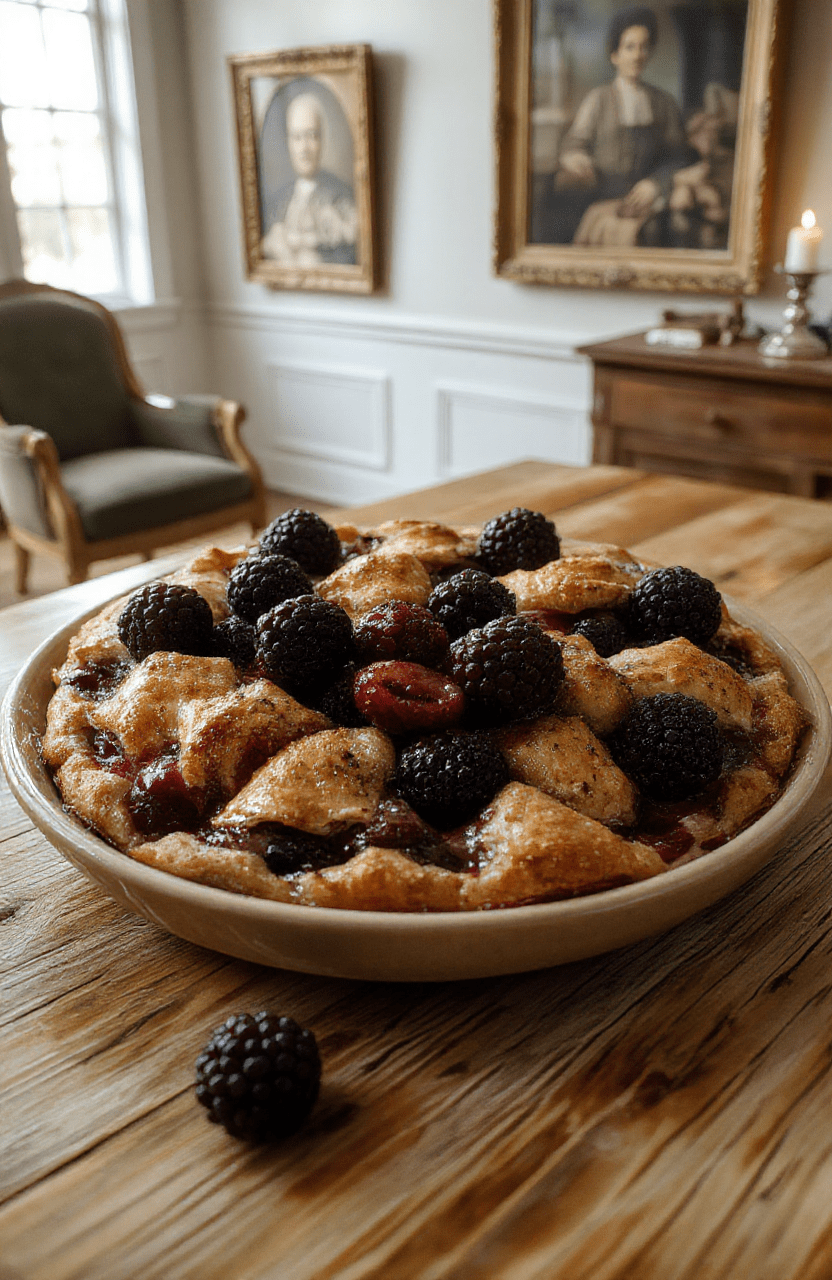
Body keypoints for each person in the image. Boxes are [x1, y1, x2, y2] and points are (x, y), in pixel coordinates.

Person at [531, 6, 694, 246]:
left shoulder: (664, 103)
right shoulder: (598, 100)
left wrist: (656, 184)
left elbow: (679, 157)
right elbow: (573, 145)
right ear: (615, 54)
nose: (637, 55)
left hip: (648, 201)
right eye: (629, 47)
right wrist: (574, 157)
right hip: (602, 198)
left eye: (643, 46)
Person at [260, 92, 358, 266]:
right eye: (297, 137)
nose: (304, 148)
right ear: (289, 143)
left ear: (322, 140)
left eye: (311, 136)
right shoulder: (279, 199)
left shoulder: (342, 194)